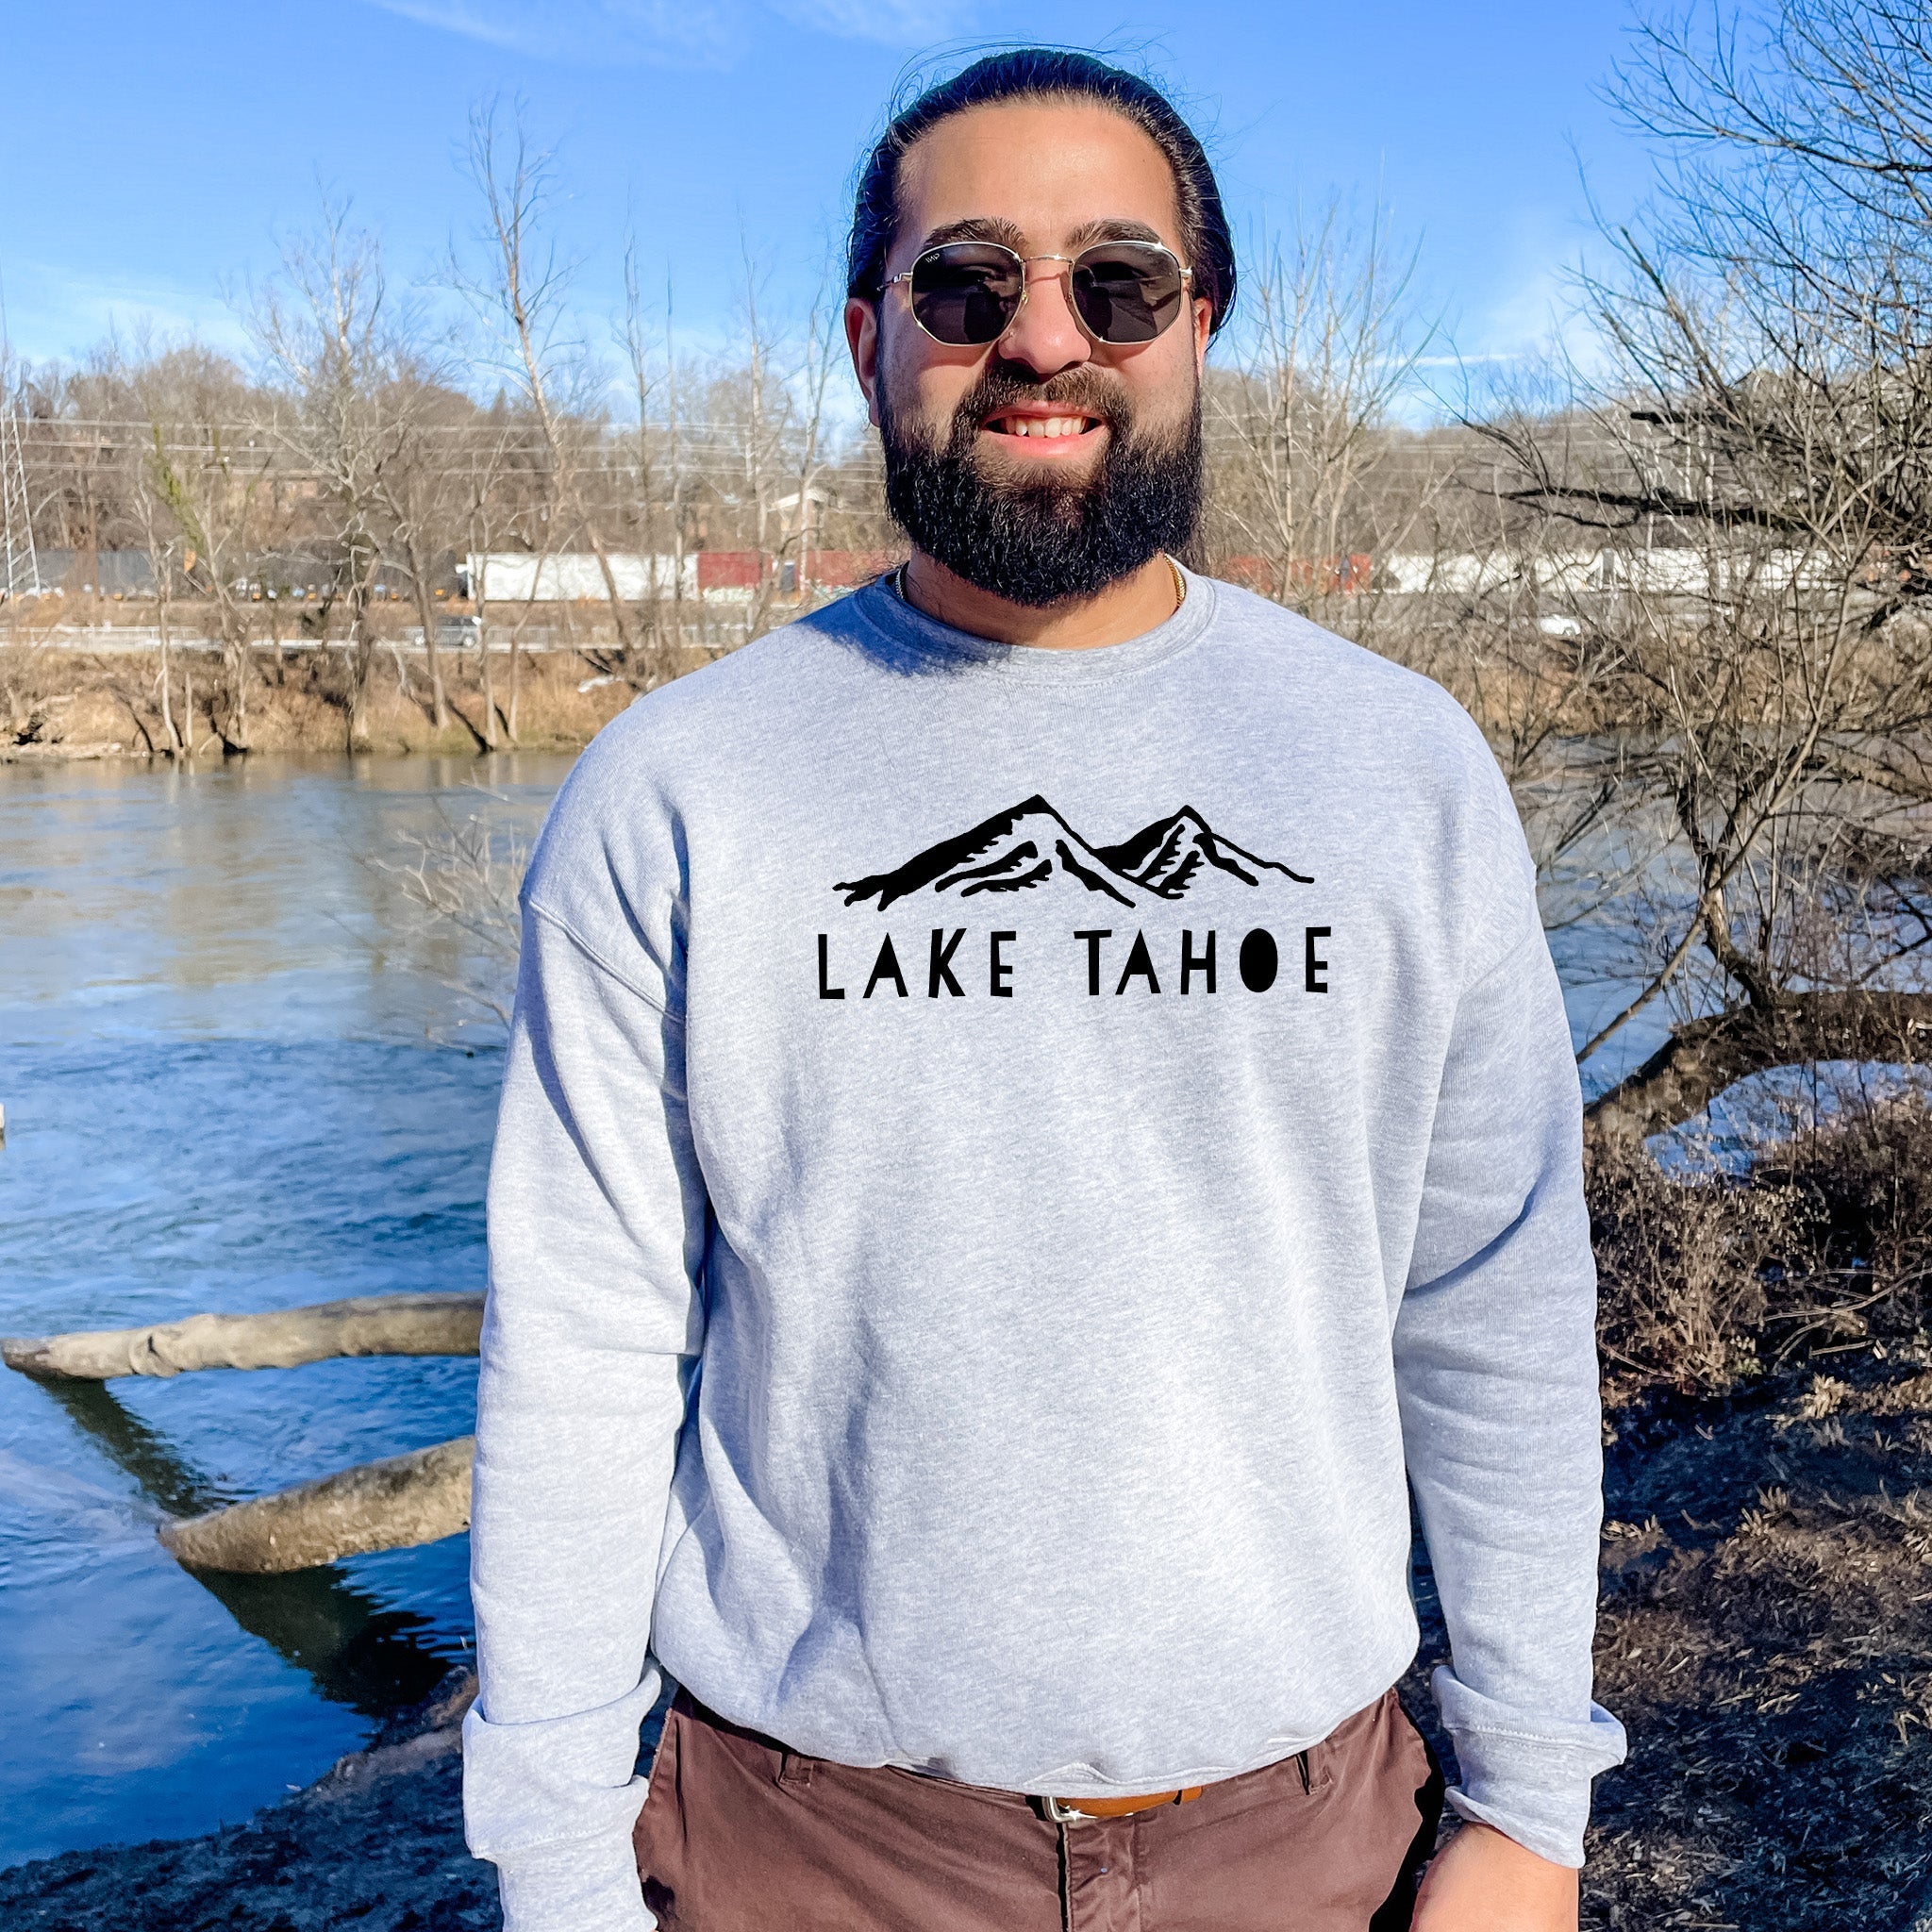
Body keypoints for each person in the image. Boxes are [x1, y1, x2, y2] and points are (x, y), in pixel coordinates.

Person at [461, 47, 1625, 1932]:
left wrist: (1528, 1805)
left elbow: (1490, 1304)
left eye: (1118, 283)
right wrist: (556, 1862)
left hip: (1314, 1836)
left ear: (1199, 324)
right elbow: (584, 1350)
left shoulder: (1397, 769)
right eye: (966, 283)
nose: (1041, 339)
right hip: (803, 1849)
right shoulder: (677, 788)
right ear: (869, 338)